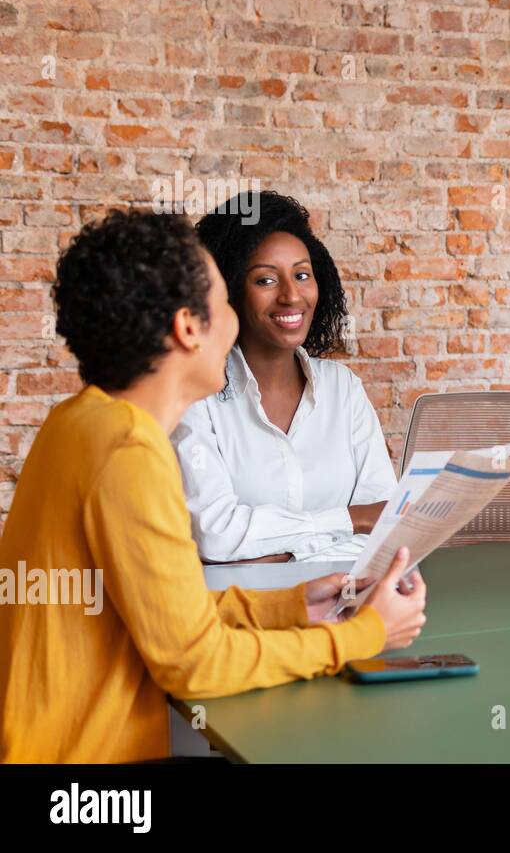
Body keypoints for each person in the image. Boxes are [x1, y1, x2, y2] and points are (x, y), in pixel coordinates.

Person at [0, 210, 425, 763]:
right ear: (188, 327)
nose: (236, 319)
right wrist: (363, 636)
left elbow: (170, 611)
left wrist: (293, 605)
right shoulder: (130, 455)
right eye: (226, 300)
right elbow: (194, 663)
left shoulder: (80, 422)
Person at [173, 191, 394, 562]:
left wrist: (285, 556)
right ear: (227, 291)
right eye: (265, 281)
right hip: (234, 613)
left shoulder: (343, 389)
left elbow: (386, 524)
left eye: (302, 275)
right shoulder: (197, 396)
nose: (292, 296)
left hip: (340, 604)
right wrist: (349, 520)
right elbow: (214, 535)